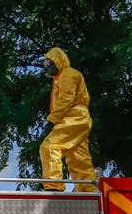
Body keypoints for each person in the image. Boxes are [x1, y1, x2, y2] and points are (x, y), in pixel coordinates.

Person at [38, 46, 96, 192]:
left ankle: (54, 187)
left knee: (49, 147)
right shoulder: (61, 78)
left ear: (58, 60)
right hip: (79, 118)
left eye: (49, 64)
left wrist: (51, 121)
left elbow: (66, 100)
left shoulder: (68, 74)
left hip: (74, 117)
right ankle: (88, 190)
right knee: (78, 158)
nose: (47, 68)